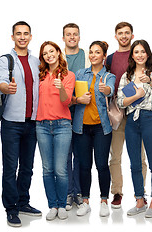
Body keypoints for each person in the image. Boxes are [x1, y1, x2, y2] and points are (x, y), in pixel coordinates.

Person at [106, 22, 152, 209]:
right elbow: (119, 97)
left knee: (147, 160)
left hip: (145, 119)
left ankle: (148, 199)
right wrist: (135, 96)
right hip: (123, 116)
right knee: (123, 159)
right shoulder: (117, 66)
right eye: (120, 33)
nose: (139, 55)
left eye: (127, 33)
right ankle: (127, 196)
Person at [0, 21, 42, 227]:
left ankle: (24, 202)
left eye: (26, 34)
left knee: (27, 167)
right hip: (11, 123)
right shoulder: (5, 60)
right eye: (18, 34)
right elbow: (0, 82)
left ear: (31, 37)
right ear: (12, 37)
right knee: (10, 167)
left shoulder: (35, 61)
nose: (22, 37)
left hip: (32, 122)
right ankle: (11, 208)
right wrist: (7, 87)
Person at [117, 39, 152, 218]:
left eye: (143, 51)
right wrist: (136, 95)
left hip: (150, 119)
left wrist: (148, 80)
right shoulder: (126, 77)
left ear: (148, 54)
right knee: (135, 164)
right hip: (132, 123)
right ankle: (139, 201)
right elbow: (120, 101)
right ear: (132, 55)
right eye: (136, 52)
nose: (140, 55)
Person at [72, 41, 116, 217]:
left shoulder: (108, 76)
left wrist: (106, 90)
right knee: (84, 165)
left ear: (104, 56)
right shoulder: (80, 73)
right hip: (81, 127)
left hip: (101, 128)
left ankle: (104, 200)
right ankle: (85, 201)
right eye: (91, 52)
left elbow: (111, 90)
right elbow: (73, 96)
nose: (93, 55)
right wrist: (78, 98)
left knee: (102, 165)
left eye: (97, 52)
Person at [36, 41, 75, 221]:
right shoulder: (40, 75)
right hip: (42, 125)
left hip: (62, 125)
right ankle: (52, 205)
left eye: (52, 51)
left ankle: (61, 204)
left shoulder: (68, 75)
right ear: (43, 57)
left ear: (59, 53)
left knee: (60, 169)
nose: (49, 55)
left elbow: (66, 102)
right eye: (45, 53)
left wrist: (60, 88)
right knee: (47, 169)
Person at [62, 23, 90, 210]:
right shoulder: (58, 57)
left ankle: (78, 193)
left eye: (75, 34)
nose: (72, 37)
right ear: (63, 38)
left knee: (79, 155)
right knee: (65, 155)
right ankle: (67, 193)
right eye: (68, 34)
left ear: (79, 37)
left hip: (82, 112)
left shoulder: (87, 57)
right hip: (62, 112)